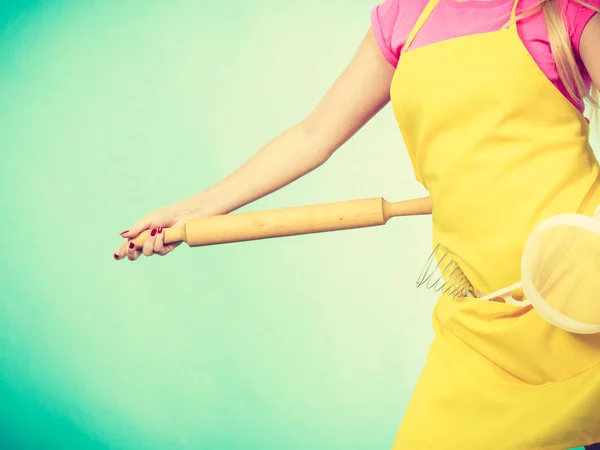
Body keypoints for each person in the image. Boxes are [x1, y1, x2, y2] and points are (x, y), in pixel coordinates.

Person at [113, 0, 600, 447]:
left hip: (589, 299)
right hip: (483, 326)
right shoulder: (406, 17)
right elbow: (312, 136)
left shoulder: (565, 10)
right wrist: (195, 210)